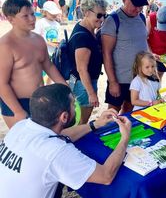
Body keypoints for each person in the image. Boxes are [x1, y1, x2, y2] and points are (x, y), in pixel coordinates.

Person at [0, 83, 131, 198]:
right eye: (73, 104)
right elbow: (105, 176)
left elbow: (61, 135)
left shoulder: (21, 126)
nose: (75, 107)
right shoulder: (55, 151)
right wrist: (125, 138)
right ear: (64, 116)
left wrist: (95, 124)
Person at [0, 0, 66, 129]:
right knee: (24, 144)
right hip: (16, 102)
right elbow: (2, 83)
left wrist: (64, 87)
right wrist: (18, 111)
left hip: (40, 100)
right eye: (25, 16)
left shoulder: (38, 40)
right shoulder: (6, 45)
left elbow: (48, 65)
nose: (32, 18)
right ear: (10, 19)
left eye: (32, 14)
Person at [101, 0, 149, 114]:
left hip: (139, 78)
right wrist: (112, 82)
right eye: (135, 4)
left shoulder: (142, 18)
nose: (138, 9)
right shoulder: (113, 20)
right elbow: (106, 53)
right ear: (124, 0)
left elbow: (142, 41)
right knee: (112, 115)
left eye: (141, 5)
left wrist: (151, 55)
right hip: (120, 79)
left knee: (129, 110)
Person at [68, 0, 107, 125]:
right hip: (83, 85)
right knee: (81, 122)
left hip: (82, 83)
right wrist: (91, 93)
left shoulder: (87, 29)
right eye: (99, 15)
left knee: (79, 121)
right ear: (86, 12)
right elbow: (81, 69)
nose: (102, 19)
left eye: (104, 15)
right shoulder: (83, 37)